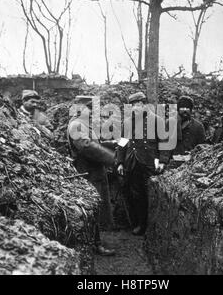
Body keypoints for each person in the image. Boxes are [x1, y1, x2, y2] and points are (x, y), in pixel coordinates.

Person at [116, 92, 171, 236]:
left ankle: (154, 227)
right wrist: (120, 162)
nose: (136, 108)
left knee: (151, 194)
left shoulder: (157, 120)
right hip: (133, 163)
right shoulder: (127, 122)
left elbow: (164, 142)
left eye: (139, 104)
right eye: (133, 105)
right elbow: (122, 143)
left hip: (150, 162)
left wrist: (163, 161)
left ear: (144, 105)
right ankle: (141, 224)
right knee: (136, 195)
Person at [67, 96, 115, 256]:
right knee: (92, 209)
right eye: (90, 109)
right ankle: (95, 244)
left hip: (94, 172)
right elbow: (87, 147)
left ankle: (95, 241)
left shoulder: (83, 124)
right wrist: (111, 158)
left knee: (96, 208)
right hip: (87, 173)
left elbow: (96, 142)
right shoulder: (76, 125)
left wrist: (112, 143)